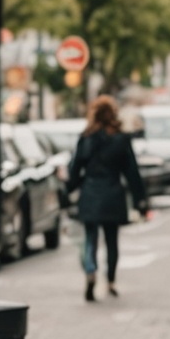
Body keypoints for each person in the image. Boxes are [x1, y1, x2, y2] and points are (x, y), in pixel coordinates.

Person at [67, 95, 150, 302]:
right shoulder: (121, 139)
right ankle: (111, 281)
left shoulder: (86, 137)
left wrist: (68, 190)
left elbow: (75, 170)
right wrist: (140, 199)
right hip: (113, 193)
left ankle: (90, 272)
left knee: (90, 240)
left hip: (90, 193)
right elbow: (132, 172)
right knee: (112, 241)